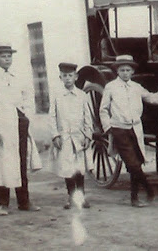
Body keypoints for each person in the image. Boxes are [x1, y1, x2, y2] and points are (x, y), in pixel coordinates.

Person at [99, 55, 158, 207]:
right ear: (117, 71)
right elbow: (103, 109)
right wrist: (109, 128)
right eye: (122, 70)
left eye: (128, 70)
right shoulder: (111, 87)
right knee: (133, 164)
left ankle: (134, 198)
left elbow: (154, 99)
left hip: (135, 129)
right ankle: (149, 189)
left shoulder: (136, 87)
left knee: (136, 164)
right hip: (119, 129)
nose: (125, 73)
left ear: (133, 71)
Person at [0, 43, 42, 216]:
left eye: (9, 56)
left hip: (19, 125)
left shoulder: (18, 77)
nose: (7, 59)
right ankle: (3, 204)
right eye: (3, 56)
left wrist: (27, 116)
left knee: (21, 163)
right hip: (1, 128)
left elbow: (28, 97)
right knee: (2, 164)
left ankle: (24, 201)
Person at [49, 62, 92, 209]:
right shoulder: (57, 95)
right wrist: (55, 136)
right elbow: (52, 117)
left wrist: (88, 135)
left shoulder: (82, 95)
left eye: (70, 76)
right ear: (60, 77)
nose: (67, 79)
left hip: (78, 137)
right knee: (68, 169)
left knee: (79, 169)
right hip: (64, 137)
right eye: (64, 76)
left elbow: (88, 116)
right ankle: (70, 196)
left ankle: (81, 196)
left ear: (76, 77)